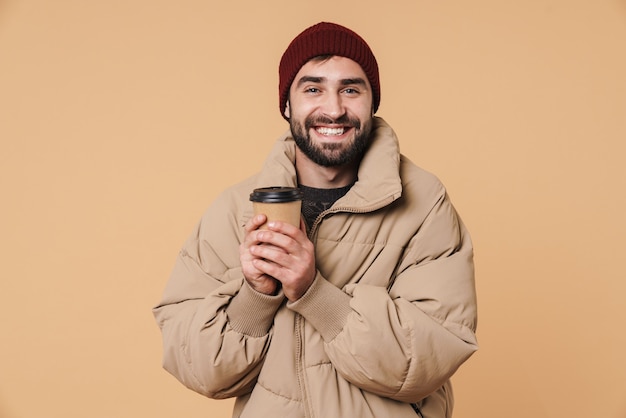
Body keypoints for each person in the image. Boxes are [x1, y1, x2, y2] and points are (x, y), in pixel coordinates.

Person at [153, 21, 478, 418]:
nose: (334, 108)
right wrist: (255, 295)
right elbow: (201, 370)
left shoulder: (424, 204)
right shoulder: (234, 209)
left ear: (372, 103)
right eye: (313, 89)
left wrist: (314, 292)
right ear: (287, 105)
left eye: (350, 89)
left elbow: (425, 360)